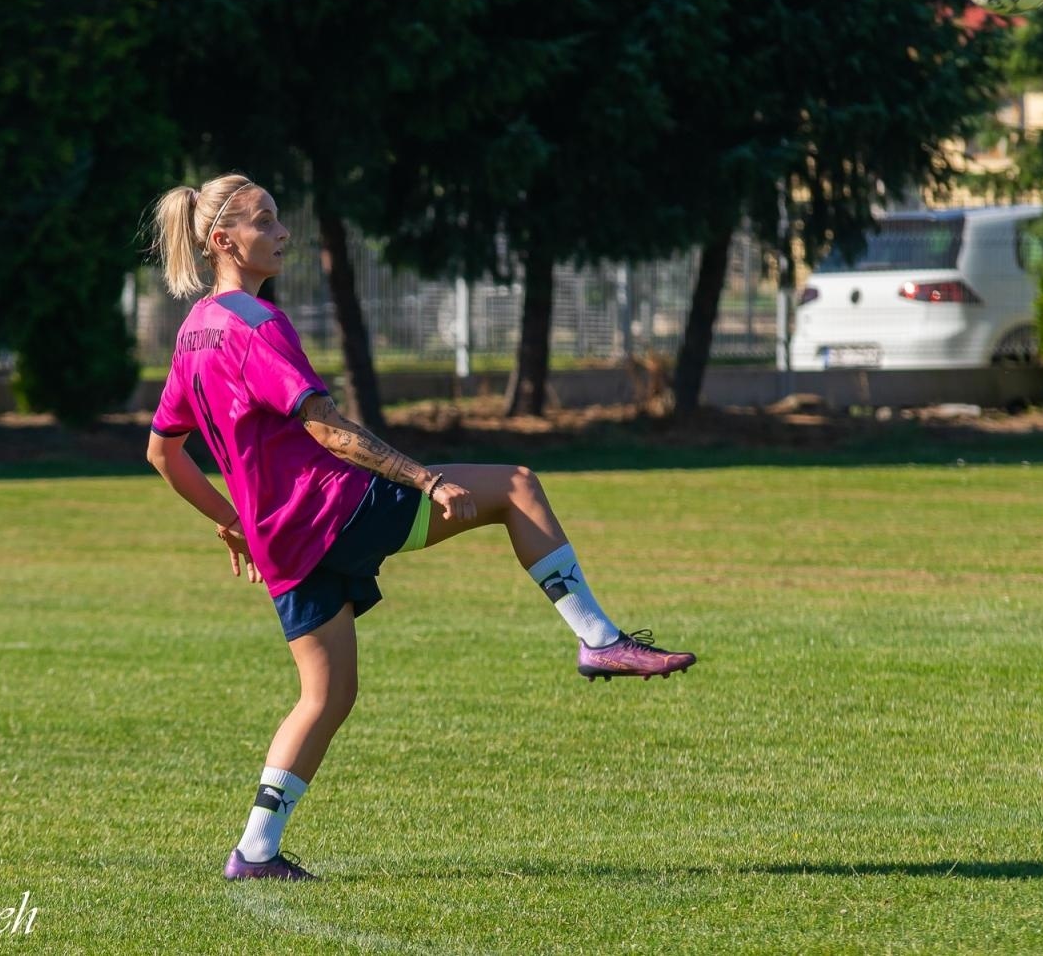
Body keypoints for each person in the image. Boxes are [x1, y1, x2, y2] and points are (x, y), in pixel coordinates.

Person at [144, 173, 695, 882]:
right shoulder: (254, 324)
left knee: (327, 695)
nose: (284, 234)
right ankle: (599, 640)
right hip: (332, 511)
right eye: (267, 222)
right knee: (516, 487)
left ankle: (254, 851)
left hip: (284, 541)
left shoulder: (192, 334)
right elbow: (326, 427)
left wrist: (233, 522)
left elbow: (163, 452)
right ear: (224, 240)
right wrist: (429, 479)